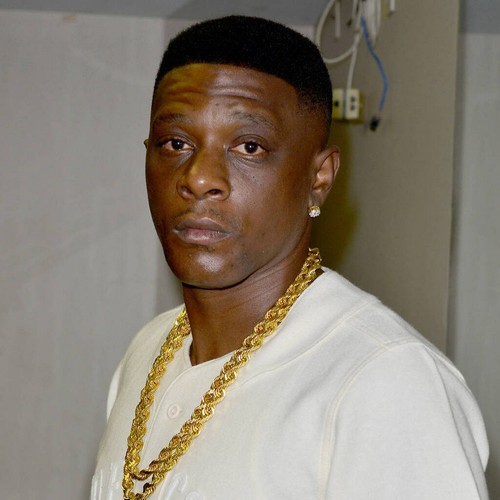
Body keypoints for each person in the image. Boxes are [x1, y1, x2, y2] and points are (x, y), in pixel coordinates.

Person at [92, 16, 489, 500]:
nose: (198, 178)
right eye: (176, 143)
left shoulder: (383, 380)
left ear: (319, 178)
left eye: (249, 147)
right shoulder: (147, 352)